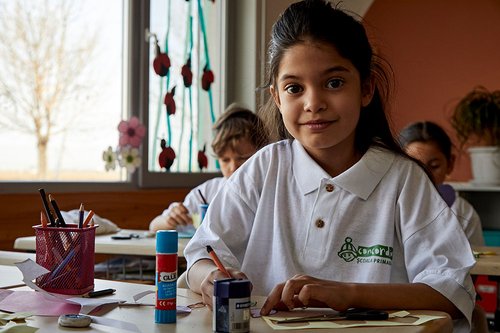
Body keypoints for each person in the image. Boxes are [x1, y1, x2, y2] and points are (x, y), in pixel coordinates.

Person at [184, 1, 476, 331]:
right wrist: (209, 277)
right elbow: (201, 253)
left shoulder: (402, 180)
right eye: (294, 88)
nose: (313, 103)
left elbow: (452, 292)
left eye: (334, 83)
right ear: (277, 98)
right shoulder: (264, 169)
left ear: (366, 88)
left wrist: (350, 293)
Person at [149, 103, 269, 233]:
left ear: (261, 155)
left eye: (243, 158)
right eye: (225, 160)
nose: (233, 168)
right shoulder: (208, 192)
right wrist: (170, 219)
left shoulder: (270, 192)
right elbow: (154, 226)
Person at [399, 121, 484, 246]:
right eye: (415, 167)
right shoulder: (386, 207)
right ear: (398, 166)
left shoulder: (463, 213)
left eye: (434, 166)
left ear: (450, 164)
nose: (425, 176)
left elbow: (479, 259)